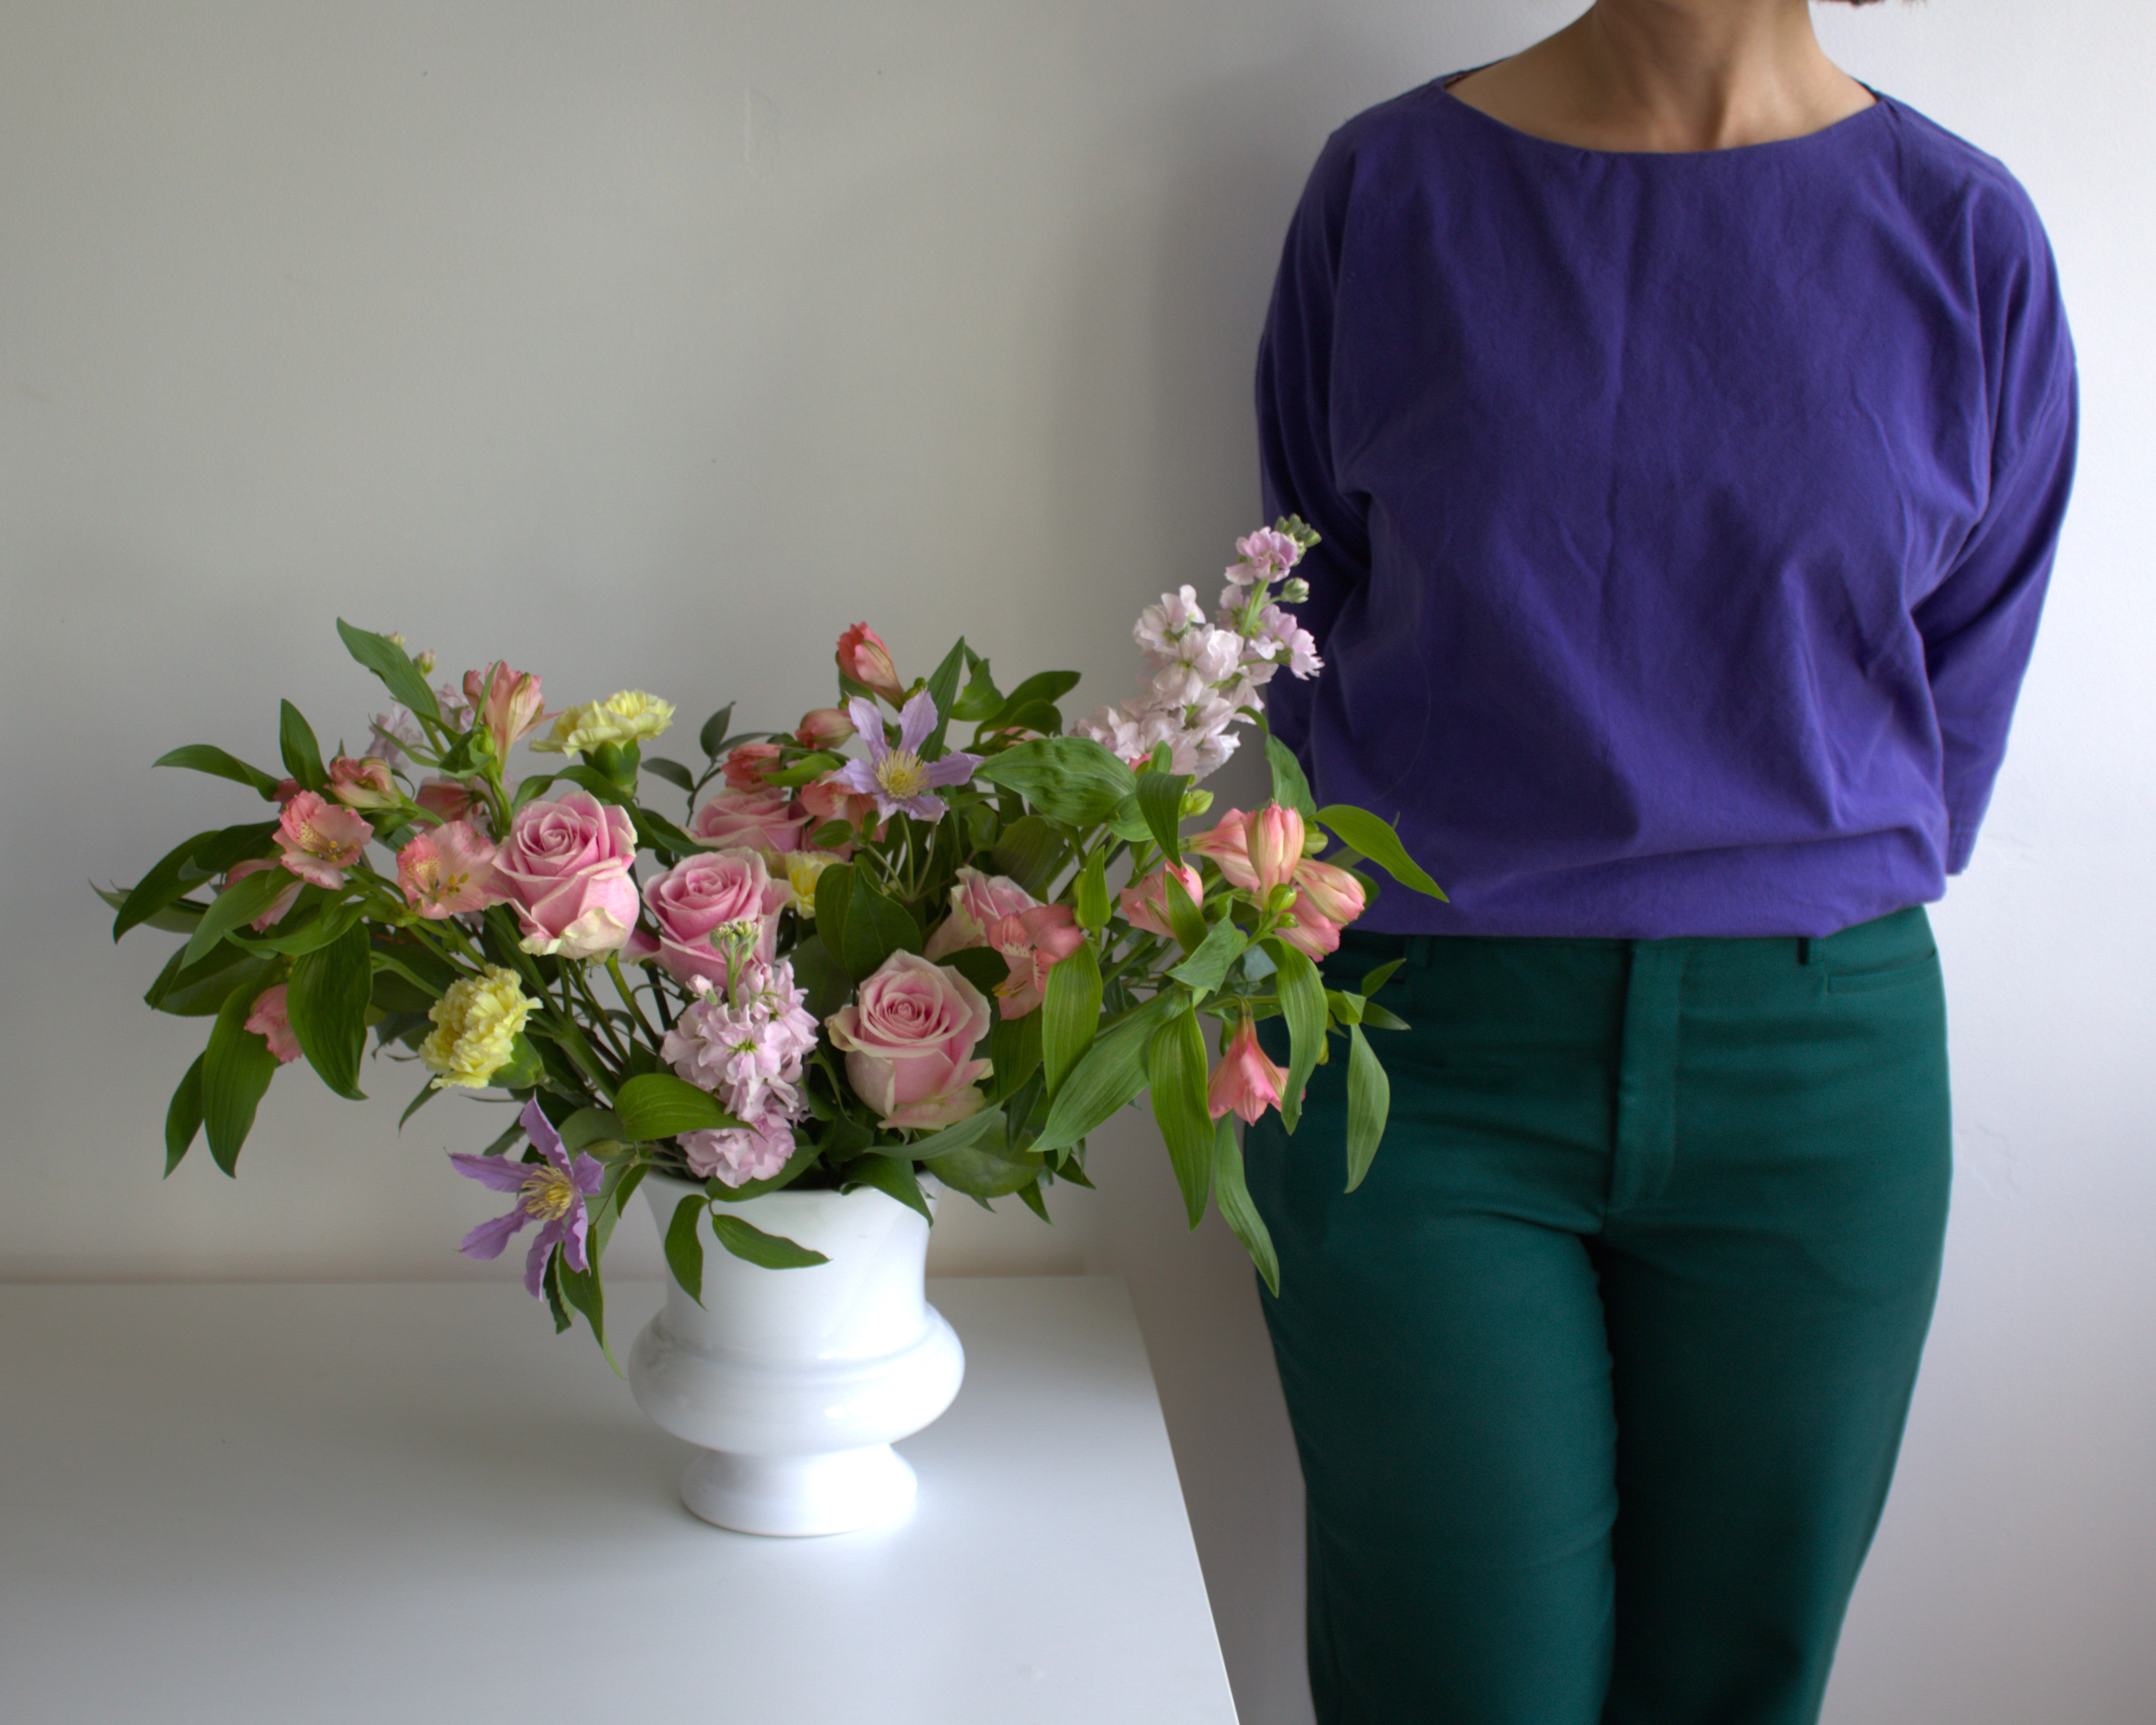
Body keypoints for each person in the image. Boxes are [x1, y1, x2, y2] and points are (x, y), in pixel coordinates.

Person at [1242, 3, 2078, 1722]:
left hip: (1814, 1066)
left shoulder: (1962, 231)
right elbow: (1297, 605)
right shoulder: (1387, 191)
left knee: (1737, 1687)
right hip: (1415, 1063)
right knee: (1453, 1686)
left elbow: (1964, 676)